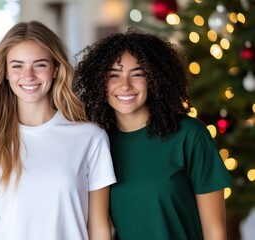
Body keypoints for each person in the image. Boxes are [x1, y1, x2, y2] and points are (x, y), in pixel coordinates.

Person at [73, 27, 233, 240]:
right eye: (114, 75)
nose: (125, 85)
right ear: (100, 84)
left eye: (137, 74)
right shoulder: (97, 143)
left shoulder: (189, 135)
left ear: (155, 79)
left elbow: (215, 232)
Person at [0, 20, 116, 240]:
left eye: (40, 64)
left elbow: (100, 229)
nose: (29, 75)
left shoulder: (90, 137)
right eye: (17, 65)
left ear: (55, 69)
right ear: (5, 72)